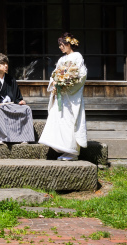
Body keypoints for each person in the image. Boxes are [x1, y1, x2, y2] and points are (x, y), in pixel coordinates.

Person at [39, 32, 88, 160]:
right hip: (61, 93)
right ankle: (64, 148)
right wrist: (55, 82)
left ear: (69, 44)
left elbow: (81, 75)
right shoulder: (61, 59)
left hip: (71, 94)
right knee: (59, 119)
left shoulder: (77, 56)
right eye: (59, 45)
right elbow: (55, 74)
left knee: (70, 121)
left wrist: (67, 82)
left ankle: (73, 152)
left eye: (62, 44)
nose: (60, 47)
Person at [0, 53, 35, 144]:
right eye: (3, 64)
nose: (6, 65)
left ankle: (24, 136)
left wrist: (20, 101)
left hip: (10, 105)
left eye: (6, 63)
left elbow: (17, 97)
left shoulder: (11, 80)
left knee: (26, 109)